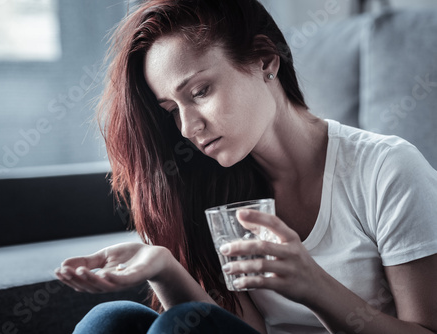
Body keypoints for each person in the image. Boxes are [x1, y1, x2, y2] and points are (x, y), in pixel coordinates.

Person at [54, 0, 437, 333]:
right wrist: (164, 268)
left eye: (200, 92)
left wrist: (313, 285)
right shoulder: (218, 190)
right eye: (172, 111)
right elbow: (240, 330)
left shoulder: (387, 170)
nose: (189, 128)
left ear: (264, 60)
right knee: (112, 319)